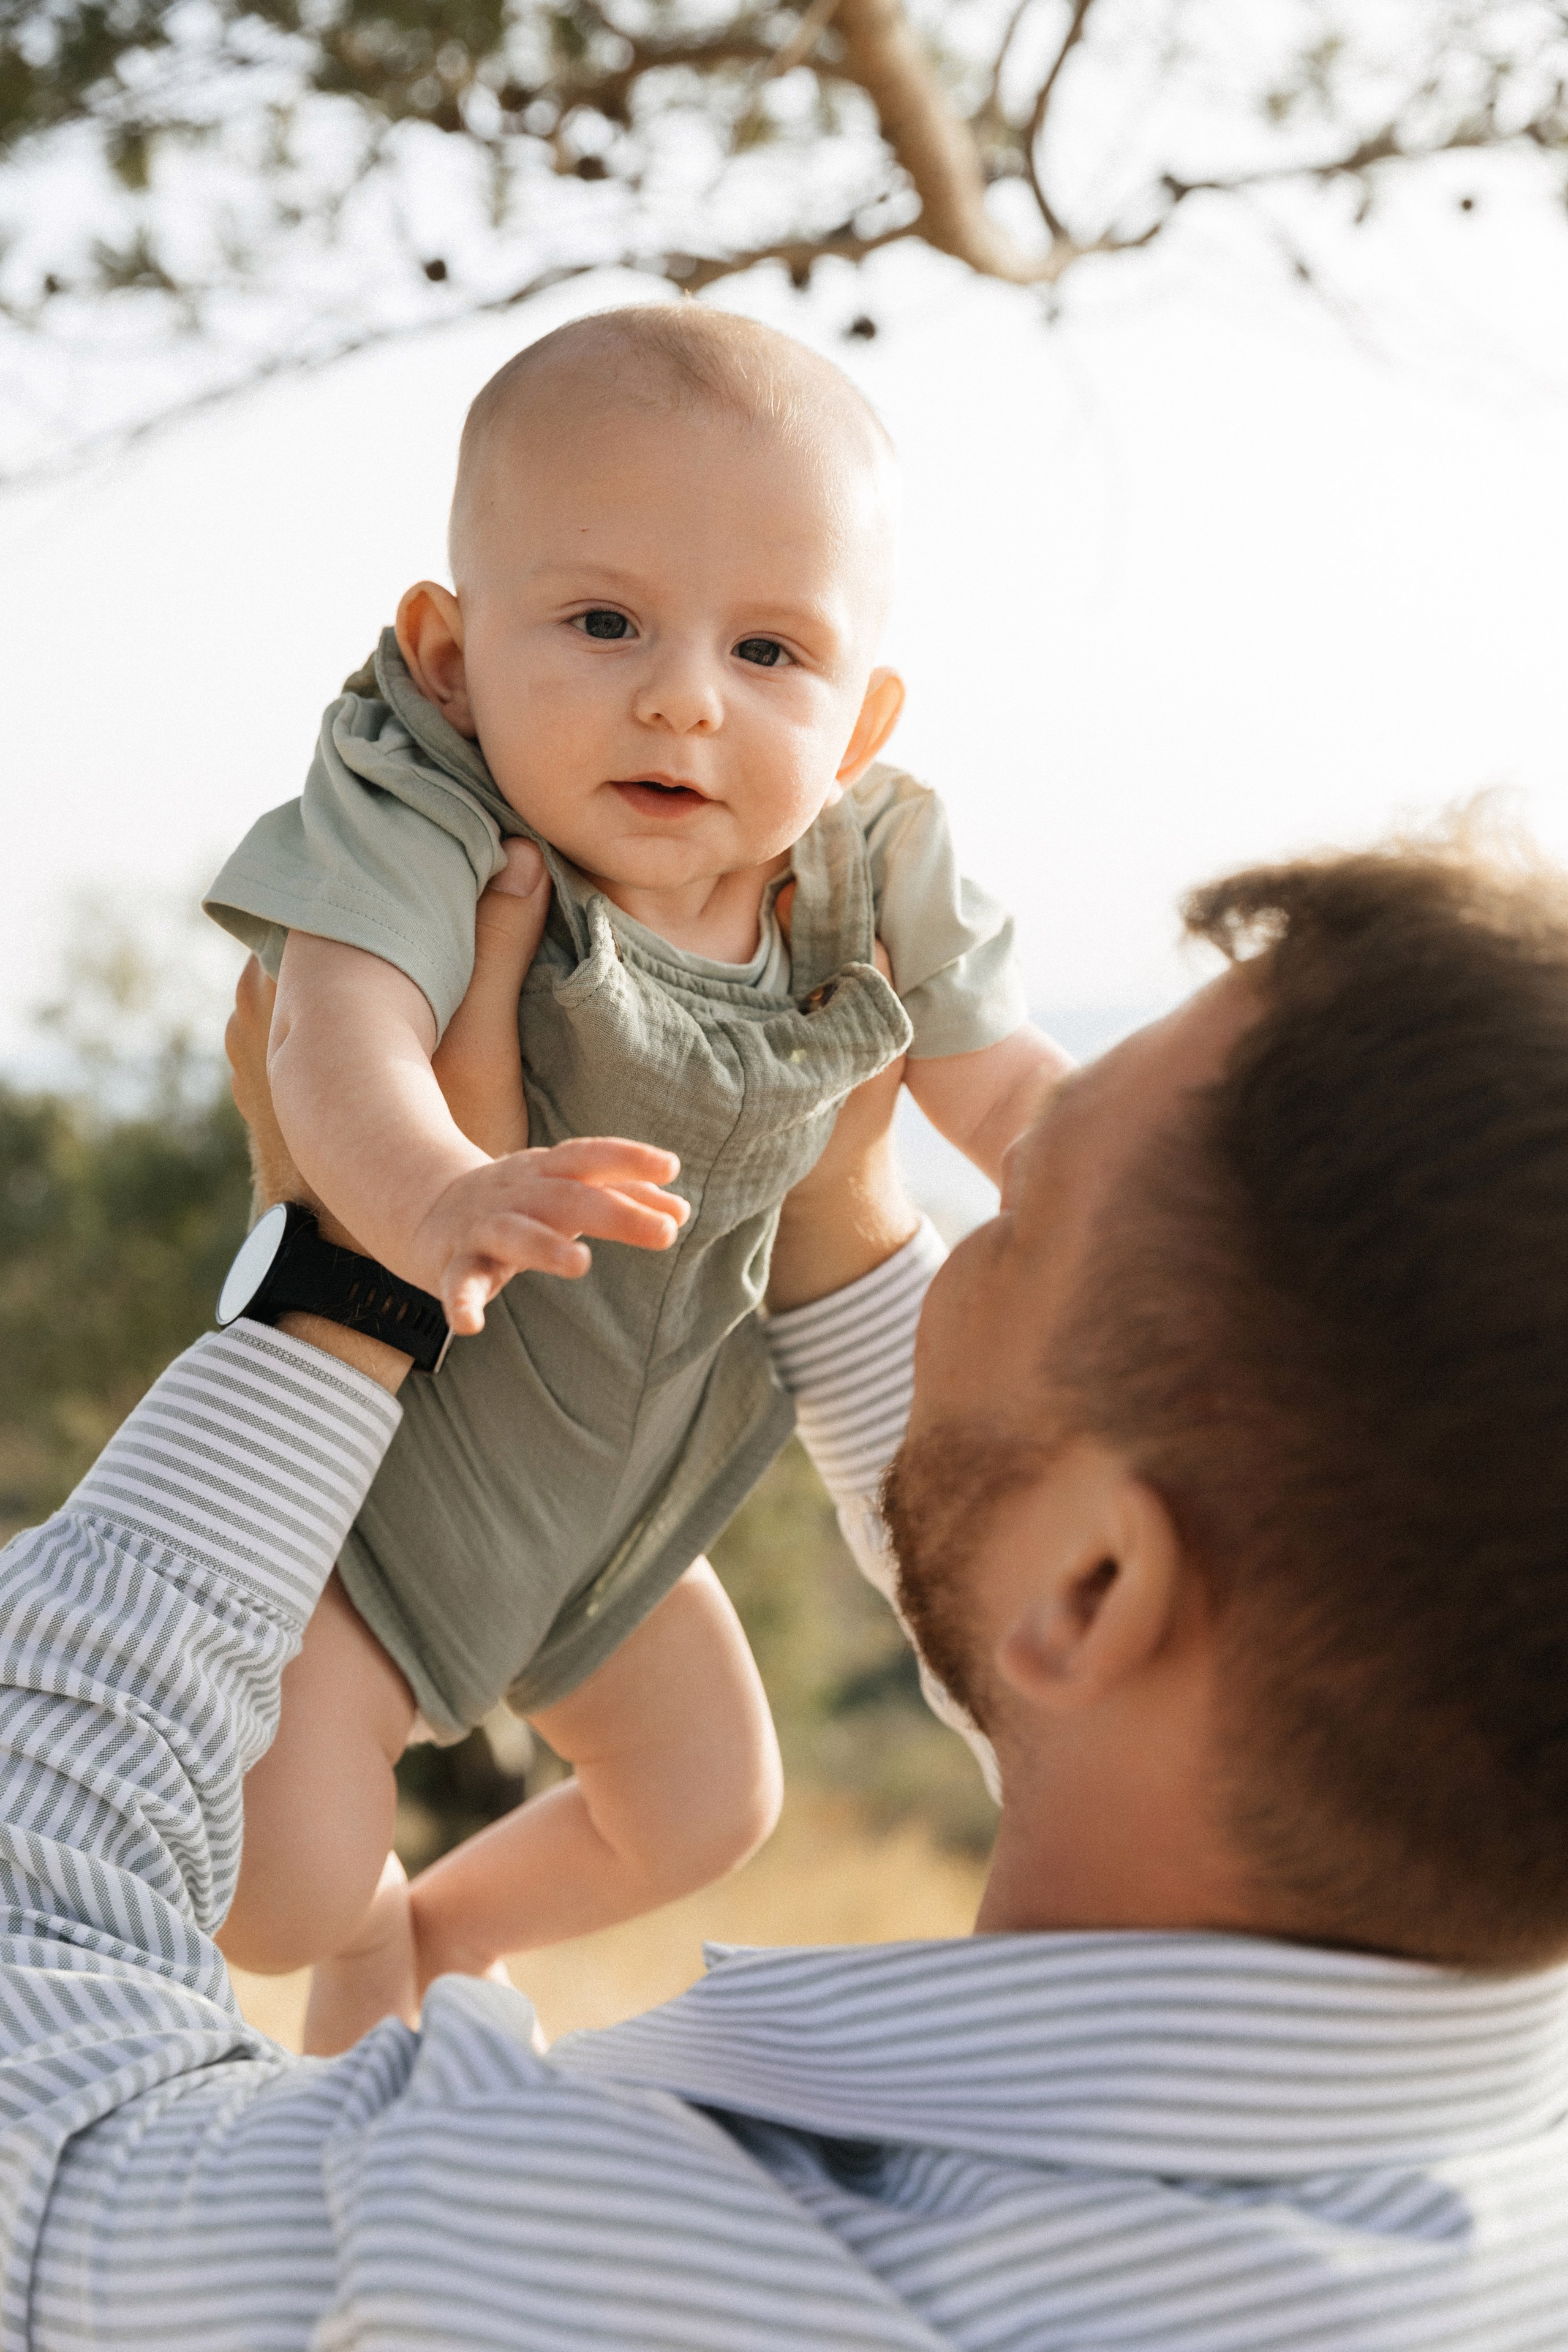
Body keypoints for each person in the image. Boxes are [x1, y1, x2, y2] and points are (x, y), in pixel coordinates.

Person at [9, 821, 1568, 2348]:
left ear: (1093, 1592)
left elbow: (51, 2154)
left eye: (1012, 1216)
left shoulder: (629, 2258)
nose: (957, 1241)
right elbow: (1153, 1710)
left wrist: (346, 1273)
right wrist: (837, 1220)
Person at [203, 303, 1067, 2040]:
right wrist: (440, 1188)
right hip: (382, 1494)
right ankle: (366, 1911)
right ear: (451, 654)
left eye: (771, 653)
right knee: (276, 1896)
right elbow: (329, 1039)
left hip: (621, 1517)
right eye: (603, 622)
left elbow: (1009, 1095)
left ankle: (442, 1934)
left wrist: (1144, 1231)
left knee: (705, 1803)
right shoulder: (429, 798)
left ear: (864, 714)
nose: (683, 695)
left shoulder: (865, 863)